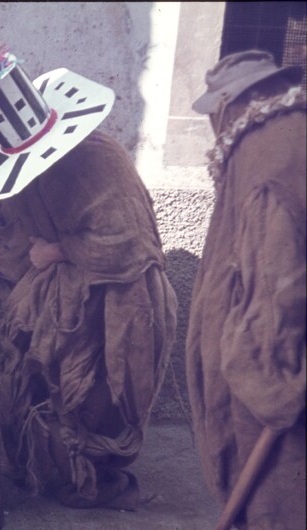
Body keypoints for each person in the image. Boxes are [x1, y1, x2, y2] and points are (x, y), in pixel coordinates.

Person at [0, 46, 177, 510]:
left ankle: (91, 479)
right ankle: (50, 469)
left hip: (114, 298)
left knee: (93, 397)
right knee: (38, 381)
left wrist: (58, 250)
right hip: (50, 297)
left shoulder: (102, 161)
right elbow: (11, 226)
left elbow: (132, 241)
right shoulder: (18, 171)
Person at [186, 50, 306, 530]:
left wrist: (271, 385)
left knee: (277, 498)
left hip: (279, 367)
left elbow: (279, 286)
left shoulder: (264, 156)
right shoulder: (294, 132)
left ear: (231, 104)